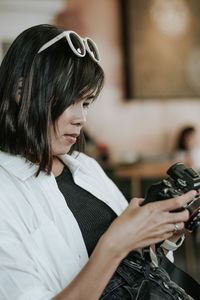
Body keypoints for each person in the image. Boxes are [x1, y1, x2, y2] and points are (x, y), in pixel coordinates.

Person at [0, 24, 197, 300]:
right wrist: (115, 244)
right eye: (70, 101)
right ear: (21, 92)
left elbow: (138, 270)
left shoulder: (85, 166)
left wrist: (166, 233)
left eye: (87, 103)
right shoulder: (5, 193)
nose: (81, 118)